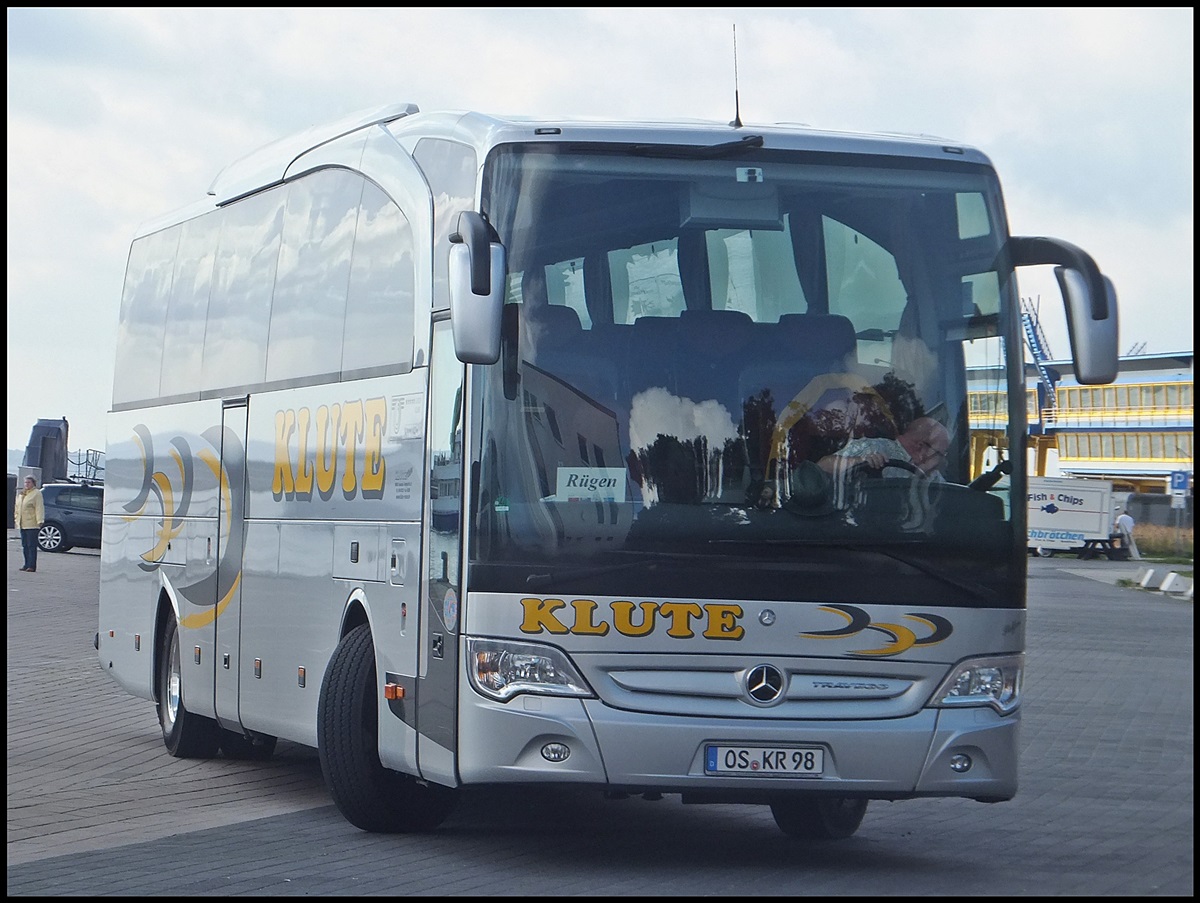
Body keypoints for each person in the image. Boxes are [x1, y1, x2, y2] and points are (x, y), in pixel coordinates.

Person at [818, 416, 950, 480]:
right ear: (921, 447)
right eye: (939, 454)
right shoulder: (873, 448)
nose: (941, 462)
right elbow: (822, 466)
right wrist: (859, 462)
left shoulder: (933, 477)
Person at [15, 475, 45, 573]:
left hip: (32, 524)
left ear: (33, 483)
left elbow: (39, 507)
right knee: (25, 545)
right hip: (22, 523)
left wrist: (40, 520)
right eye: (25, 482)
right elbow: (17, 508)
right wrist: (16, 519)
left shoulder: (36, 494)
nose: (26, 484)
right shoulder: (22, 494)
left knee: (31, 545)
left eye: (28, 482)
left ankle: (32, 565)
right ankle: (26, 564)